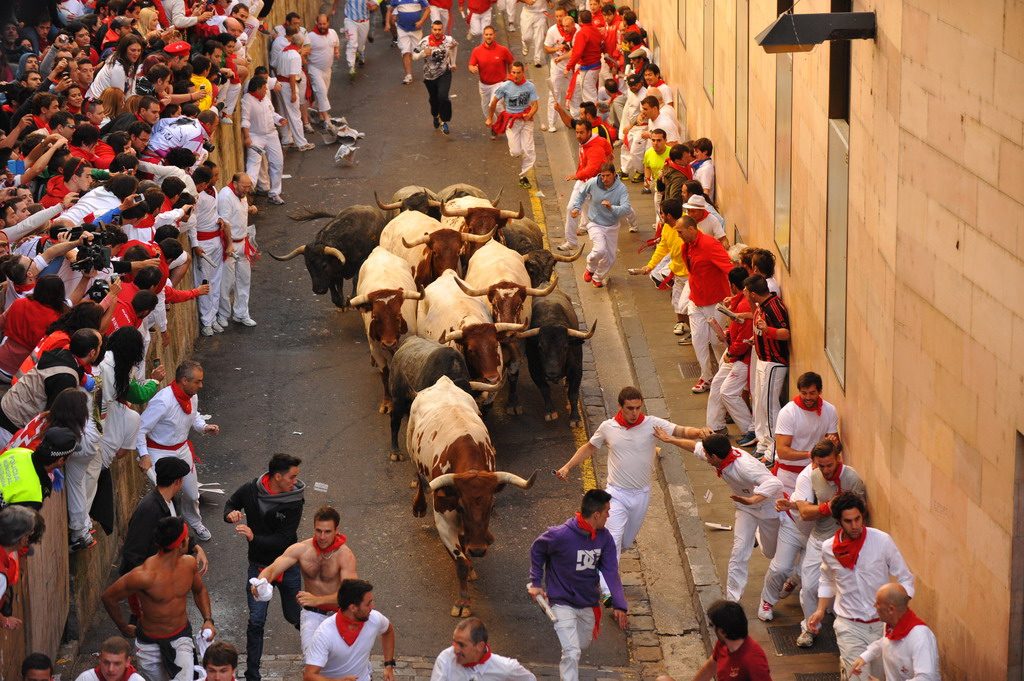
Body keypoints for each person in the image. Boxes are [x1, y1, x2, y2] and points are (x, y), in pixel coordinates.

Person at [555, 386, 706, 598]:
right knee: (614, 538)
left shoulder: (652, 424)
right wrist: (567, 467)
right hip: (616, 495)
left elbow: (680, 430)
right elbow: (589, 448)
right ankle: (608, 591)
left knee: (625, 543)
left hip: (642, 495)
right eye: (629, 408)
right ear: (620, 407)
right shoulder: (608, 427)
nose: (634, 413)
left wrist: (699, 432)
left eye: (637, 408)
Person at [655, 432, 782, 601]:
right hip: (746, 509)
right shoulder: (719, 455)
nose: (705, 457)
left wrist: (753, 499)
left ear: (713, 456)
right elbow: (694, 446)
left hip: (767, 508)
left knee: (770, 552)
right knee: (739, 551)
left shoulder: (745, 466)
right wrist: (670, 439)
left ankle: (758, 535)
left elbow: (774, 483)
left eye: (707, 455)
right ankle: (732, 599)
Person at [807, 493, 915, 678]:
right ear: (839, 521)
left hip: (883, 625)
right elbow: (826, 579)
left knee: (882, 677)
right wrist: (820, 610)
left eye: (858, 519)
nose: (855, 525)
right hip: (849, 626)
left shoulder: (882, 541)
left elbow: (905, 577)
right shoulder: (828, 549)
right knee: (858, 676)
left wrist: (899, 610)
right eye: (848, 521)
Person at [528, 489, 628, 681]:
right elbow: (537, 549)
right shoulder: (560, 535)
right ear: (596, 515)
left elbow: (610, 572)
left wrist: (620, 604)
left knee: (581, 643)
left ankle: (568, 641)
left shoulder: (604, 538)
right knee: (572, 651)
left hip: (587, 603)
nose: (609, 515)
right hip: (561, 601)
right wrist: (535, 581)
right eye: (607, 511)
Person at [101, 517, 216, 681]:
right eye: (187, 537)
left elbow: (199, 591)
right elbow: (108, 597)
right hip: (149, 645)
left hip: (181, 638)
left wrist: (208, 619)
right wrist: (123, 627)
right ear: (181, 544)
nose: (189, 540)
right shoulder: (143, 575)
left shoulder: (189, 564)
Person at [224, 453, 306, 681]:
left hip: (287, 567)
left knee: (295, 616)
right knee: (256, 620)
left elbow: (284, 538)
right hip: (258, 568)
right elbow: (231, 503)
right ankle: (252, 675)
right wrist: (230, 514)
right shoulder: (251, 490)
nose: (296, 481)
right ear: (277, 476)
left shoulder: (294, 500)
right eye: (292, 476)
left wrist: (253, 537)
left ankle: (320, 656)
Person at [782, 440, 866, 646]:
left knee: (845, 590)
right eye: (821, 465)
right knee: (809, 588)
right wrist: (827, 506)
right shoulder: (813, 477)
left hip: (844, 544)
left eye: (830, 464)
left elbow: (858, 514)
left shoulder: (852, 478)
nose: (826, 470)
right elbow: (806, 512)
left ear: (837, 459)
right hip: (819, 540)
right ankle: (810, 629)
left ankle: (847, 633)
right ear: (814, 463)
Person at [251, 505, 356, 658]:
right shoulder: (302, 549)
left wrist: (317, 600)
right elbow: (273, 569)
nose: (322, 536)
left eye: (327, 532)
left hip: (339, 613)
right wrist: (260, 583)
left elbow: (350, 595)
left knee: (343, 661)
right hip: (312, 614)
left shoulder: (345, 555)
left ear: (336, 530)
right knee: (312, 660)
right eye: (318, 530)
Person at [136, 360, 221, 540]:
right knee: (165, 499)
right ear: (184, 381)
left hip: (182, 450)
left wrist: (204, 427)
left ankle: (195, 522)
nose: (201, 385)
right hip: (159, 453)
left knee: (191, 494)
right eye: (197, 381)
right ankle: (174, 537)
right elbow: (140, 428)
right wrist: (144, 455)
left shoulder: (192, 396)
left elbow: (194, 416)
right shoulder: (163, 401)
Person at [120, 457, 209, 577]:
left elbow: (176, 534)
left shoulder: (171, 500)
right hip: (148, 582)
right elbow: (133, 553)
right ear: (178, 481)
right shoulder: (149, 509)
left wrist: (196, 548)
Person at [304, 579, 397, 681]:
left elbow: (388, 631)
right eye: (368, 604)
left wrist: (389, 665)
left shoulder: (374, 618)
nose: (372, 607)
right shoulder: (324, 633)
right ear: (353, 608)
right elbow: (309, 676)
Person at [680, 214, 732, 394]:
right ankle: (707, 376)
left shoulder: (710, 244)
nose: (679, 235)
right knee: (698, 339)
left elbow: (728, 267)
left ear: (691, 229)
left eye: (681, 232)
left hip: (715, 302)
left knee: (716, 341)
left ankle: (725, 374)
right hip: (696, 300)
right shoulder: (685, 246)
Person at [741, 274, 790, 457]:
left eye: (746, 291)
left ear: (753, 294)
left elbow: (785, 333)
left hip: (774, 363)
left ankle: (773, 450)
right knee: (761, 404)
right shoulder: (761, 307)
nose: (744, 293)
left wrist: (766, 330)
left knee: (770, 407)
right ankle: (763, 444)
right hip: (764, 361)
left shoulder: (774, 307)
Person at [852, 583, 940, 681]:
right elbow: (885, 642)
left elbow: (925, 678)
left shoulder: (920, 637)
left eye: (878, 603)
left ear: (891, 609)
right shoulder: (890, 624)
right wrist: (865, 657)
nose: (874, 606)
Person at [706, 267, 755, 439]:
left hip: (741, 358)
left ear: (733, 286)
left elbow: (744, 337)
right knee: (718, 385)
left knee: (727, 392)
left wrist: (731, 353)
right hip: (736, 355)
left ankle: (750, 429)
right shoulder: (740, 302)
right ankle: (715, 427)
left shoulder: (743, 304)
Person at [569, 162, 631, 288]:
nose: (605, 179)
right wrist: (576, 208)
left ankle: (597, 277)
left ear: (614, 174)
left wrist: (611, 207)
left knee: (610, 257)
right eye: (602, 176)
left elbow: (626, 209)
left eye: (608, 176)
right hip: (595, 223)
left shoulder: (622, 189)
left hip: (612, 226)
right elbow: (580, 195)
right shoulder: (592, 183)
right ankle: (590, 268)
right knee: (600, 249)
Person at [557, 120, 612, 253]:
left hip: (594, 186)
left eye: (581, 132)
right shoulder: (589, 141)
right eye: (576, 132)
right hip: (584, 183)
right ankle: (571, 242)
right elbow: (609, 149)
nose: (578, 135)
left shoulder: (595, 148)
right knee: (572, 208)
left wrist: (577, 175)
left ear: (589, 132)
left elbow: (593, 168)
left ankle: (600, 249)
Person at [688, 600, 773, 681]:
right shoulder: (722, 644)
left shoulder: (754, 660)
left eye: (712, 625)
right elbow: (710, 668)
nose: (712, 629)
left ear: (722, 632)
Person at [486, 62, 539, 187]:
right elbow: (493, 103)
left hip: (526, 121)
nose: (515, 75)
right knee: (516, 152)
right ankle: (519, 154)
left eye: (518, 72)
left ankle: (523, 176)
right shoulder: (505, 86)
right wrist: (489, 118)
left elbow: (535, 105)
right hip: (511, 122)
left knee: (529, 150)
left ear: (523, 72)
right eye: (513, 72)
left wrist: (529, 115)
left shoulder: (530, 86)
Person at [431, 617, 536, 680]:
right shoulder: (445, 660)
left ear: (480, 646)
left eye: (462, 645)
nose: (456, 649)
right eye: (454, 642)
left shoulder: (507, 668)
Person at [0, 426, 78, 510]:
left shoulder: (19, 451)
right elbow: (12, 522)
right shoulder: (33, 497)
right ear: (61, 460)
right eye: (69, 457)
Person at [217, 173, 258, 327]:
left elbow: (239, 211)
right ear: (234, 183)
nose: (247, 190)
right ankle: (223, 315)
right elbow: (225, 222)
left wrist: (250, 209)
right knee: (227, 282)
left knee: (244, 279)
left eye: (249, 187)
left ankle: (241, 313)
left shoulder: (241, 194)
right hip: (231, 243)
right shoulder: (226, 196)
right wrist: (229, 244)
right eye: (244, 186)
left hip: (242, 241)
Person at [242, 77, 286, 207]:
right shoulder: (247, 100)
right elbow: (245, 120)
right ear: (257, 88)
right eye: (264, 87)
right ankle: (247, 191)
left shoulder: (265, 97)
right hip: (255, 136)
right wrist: (247, 137)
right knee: (253, 164)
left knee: (278, 163)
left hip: (272, 134)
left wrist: (280, 119)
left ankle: (274, 194)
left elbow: (272, 114)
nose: (267, 89)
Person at [1, 506, 43, 630]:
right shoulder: (1, 576)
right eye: (27, 535)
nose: (27, 539)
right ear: (19, 539)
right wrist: (5, 621)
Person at [414, 20, 459, 135]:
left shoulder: (448, 40)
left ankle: (444, 121)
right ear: (431, 29)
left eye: (439, 29)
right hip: (429, 76)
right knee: (434, 99)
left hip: (445, 73)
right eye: (435, 29)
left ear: (442, 29)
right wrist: (423, 53)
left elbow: (454, 46)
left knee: (443, 97)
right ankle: (435, 115)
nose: (437, 32)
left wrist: (453, 63)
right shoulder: (424, 41)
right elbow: (413, 56)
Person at [276, 29, 315, 151]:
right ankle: (302, 143)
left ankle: (287, 139)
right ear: (301, 44)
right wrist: (293, 93)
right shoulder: (295, 56)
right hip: (288, 85)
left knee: (283, 112)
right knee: (295, 114)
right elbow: (292, 76)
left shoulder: (283, 52)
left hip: (280, 84)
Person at [469, 27, 515, 126]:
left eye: (490, 34)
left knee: (496, 105)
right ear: (483, 35)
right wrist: (472, 68)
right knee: (486, 108)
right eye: (486, 34)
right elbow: (471, 65)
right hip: (484, 85)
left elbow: (510, 62)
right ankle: (496, 126)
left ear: (494, 35)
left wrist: (510, 76)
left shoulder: (503, 50)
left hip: (499, 84)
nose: (489, 37)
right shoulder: (477, 50)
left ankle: (507, 123)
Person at [563, 10, 602, 117]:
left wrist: (568, 66)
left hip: (588, 67)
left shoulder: (582, 33)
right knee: (590, 93)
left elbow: (577, 53)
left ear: (580, 20)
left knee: (588, 97)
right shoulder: (596, 30)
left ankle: (592, 121)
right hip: (596, 65)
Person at [542, 8, 575, 133]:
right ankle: (551, 122)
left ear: (566, 15)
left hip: (571, 66)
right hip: (557, 66)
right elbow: (546, 48)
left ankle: (573, 120)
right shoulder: (552, 31)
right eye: (556, 16)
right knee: (554, 94)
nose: (559, 18)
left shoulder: (575, 28)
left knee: (571, 93)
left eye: (561, 15)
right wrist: (557, 49)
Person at [307, 13, 341, 129]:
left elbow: (336, 44)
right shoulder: (310, 36)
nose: (322, 26)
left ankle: (316, 113)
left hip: (327, 70)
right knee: (321, 92)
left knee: (323, 93)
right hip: (315, 69)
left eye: (324, 24)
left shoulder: (333, 33)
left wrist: (336, 52)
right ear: (317, 23)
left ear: (328, 23)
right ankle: (327, 119)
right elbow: (304, 51)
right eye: (320, 24)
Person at [386, 0, 430, 84]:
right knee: (405, 51)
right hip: (402, 29)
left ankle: (426, 55)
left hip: (416, 30)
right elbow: (389, 10)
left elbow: (428, 9)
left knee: (415, 55)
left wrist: (421, 21)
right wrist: (388, 23)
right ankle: (408, 75)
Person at [73, 637, 145, 681]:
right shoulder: (85, 679)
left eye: (117, 664)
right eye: (106, 662)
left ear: (127, 662)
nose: (111, 669)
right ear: (100, 660)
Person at [344, 0, 377, 78]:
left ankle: (360, 52)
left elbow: (376, 6)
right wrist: (334, 8)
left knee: (360, 45)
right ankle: (351, 67)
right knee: (352, 44)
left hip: (364, 22)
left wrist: (372, 7)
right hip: (350, 20)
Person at [518, 0, 549, 67]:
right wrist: (526, 1)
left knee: (539, 37)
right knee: (527, 37)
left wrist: (550, 2)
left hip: (541, 14)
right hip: (527, 13)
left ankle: (537, 60)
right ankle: (525, 45)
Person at [691, 137, 716, 202]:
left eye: (697, 151)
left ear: (705, 152)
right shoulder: (699, 165)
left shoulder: (706, 169)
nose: (694, 154)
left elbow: (705, 192)